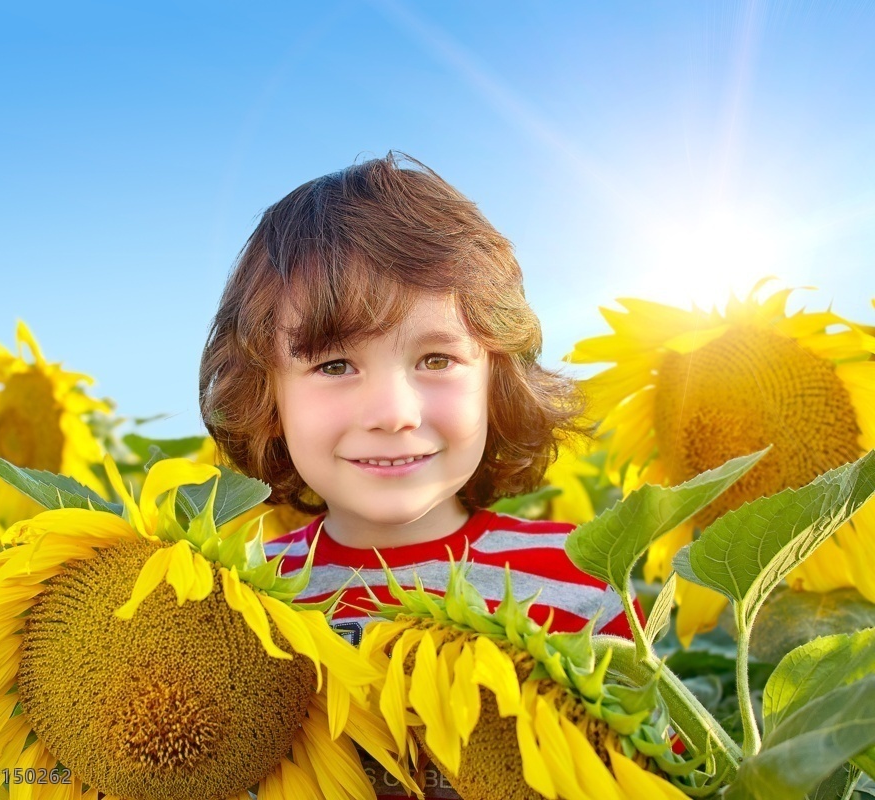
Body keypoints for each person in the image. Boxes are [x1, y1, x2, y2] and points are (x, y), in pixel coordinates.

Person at [199, 152, 638, 799]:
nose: (393, 414)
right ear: (268, 393)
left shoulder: (582, 579)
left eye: (436, 358)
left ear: (497, 377)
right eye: (334, 366)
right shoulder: (236, 604)